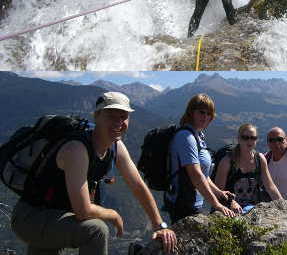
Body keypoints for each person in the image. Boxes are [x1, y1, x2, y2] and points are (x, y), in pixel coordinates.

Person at [11, 92, 177, 254]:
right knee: (96, 230)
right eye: (111, 115)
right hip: (32, 217)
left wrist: (159, 225)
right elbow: (83, 210)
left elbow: (138, 185)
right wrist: (113, 214)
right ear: (97, 116)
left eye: (123, 116)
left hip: (54, 215)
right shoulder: (77, 149)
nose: (119, 122)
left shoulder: (115, 146)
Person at [166, 93, 237, 223]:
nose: (205, 117)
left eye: (209, 114)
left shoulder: (199, 136)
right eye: (201, 112)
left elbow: (204, 174)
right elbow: (196, 175)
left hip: (194, 204)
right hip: (183, 206)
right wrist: (217, 204)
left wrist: (219, 193)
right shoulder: (186, 137)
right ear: (191, 112)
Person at [213, 124, 282, 212]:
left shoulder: (260, 159)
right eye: (245, 137)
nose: (249, 141)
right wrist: (230, 202)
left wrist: (283, 205)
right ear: (239, 139)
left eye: (253, 138)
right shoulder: (227, 161)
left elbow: (270, 186)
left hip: (252, 209)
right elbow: (219, 191)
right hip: (229, 208)